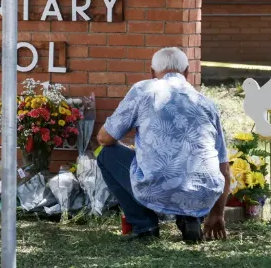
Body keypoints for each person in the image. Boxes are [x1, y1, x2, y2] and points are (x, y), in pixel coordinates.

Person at [97, 47, 230, 243]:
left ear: (152, 73)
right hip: (203, 193)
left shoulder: (144, 90)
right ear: (187, 72)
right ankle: (190, 218)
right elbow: (223, 167)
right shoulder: (207, 103)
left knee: (106, 154)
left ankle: (145, 226)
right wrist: (218, 214)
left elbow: (104, 139)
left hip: (157, 186)